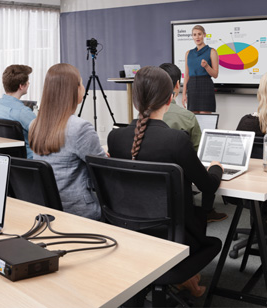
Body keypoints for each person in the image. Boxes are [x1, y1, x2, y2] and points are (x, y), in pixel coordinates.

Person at [107, 66, 223, 297]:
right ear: (170, 98)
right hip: (173, 240)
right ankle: (185, 280)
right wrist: (216, 168)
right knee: (212, 237)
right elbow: (208, 186)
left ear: (135, 100)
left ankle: (184, 281)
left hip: (128, 234)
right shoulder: (176, 140)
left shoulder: (115, 138)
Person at [29, 63, 106, 220]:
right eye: (81, 83)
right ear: (74, 89)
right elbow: (103, 170)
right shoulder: (79, 128)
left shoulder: (35, 124)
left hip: (48, 209)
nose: (83, 87)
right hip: (80, 211)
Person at [160, 63, 227, 222]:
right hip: (181, 193)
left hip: (148, 200)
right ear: (177, 85)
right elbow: (198, 155)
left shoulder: (139, 120)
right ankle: (207, 211)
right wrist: (215, 167)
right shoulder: (187, 117)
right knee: (210, 166)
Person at [0, 64, 36, 158]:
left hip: (7, 159)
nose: (28, 84)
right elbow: (44, 136)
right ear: (21, 86)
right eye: (28, 82)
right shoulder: (23, 112)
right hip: (30, 159)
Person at [182, 25, 219, 114]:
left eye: (199, 34)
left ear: (204, 35)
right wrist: (183, 94)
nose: (197, 37)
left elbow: (215, 74)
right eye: (194, 35)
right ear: (192, 36)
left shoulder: (212, 51)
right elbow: (186, 75)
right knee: (193, 119)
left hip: (205, 85)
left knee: (204, 117)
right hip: (192, 87)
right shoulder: (188, 53)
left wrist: (206, 66)